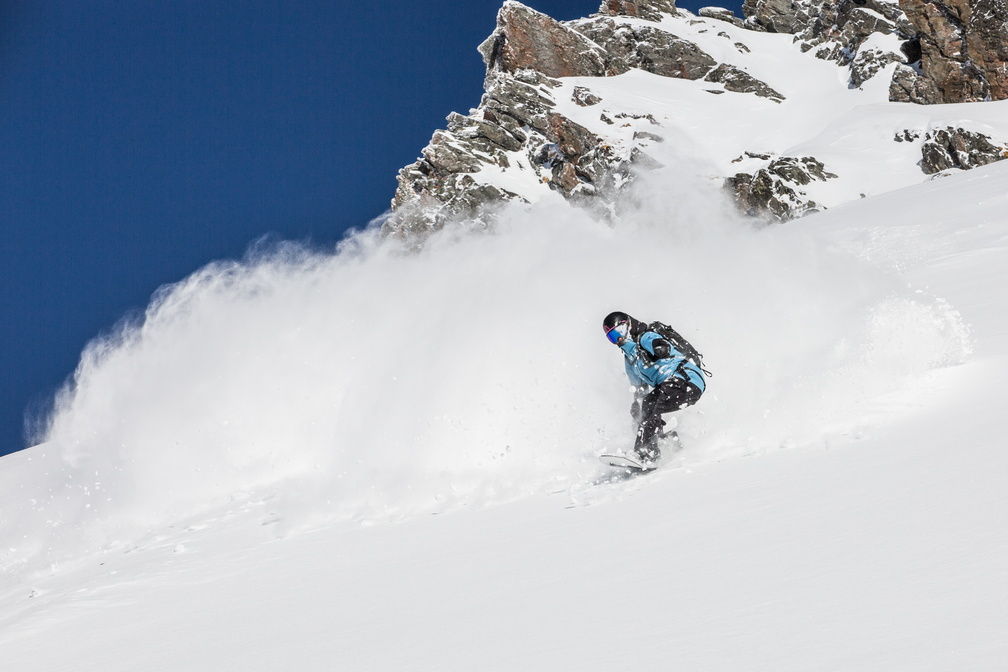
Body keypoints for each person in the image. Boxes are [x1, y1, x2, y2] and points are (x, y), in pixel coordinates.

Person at [602, 311, 709, 464]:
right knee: (646, 406)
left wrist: (660, 349)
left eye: (618, 332)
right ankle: (668, 443)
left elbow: (658, 343)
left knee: (651, 408)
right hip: (672, 386)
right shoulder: (630, 360)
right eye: (611, 337)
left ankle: (644, 454)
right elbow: (639, 389)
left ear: (627, 325)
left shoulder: (645, 337)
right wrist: (636, 406)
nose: (617, 339)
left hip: (686, 380)